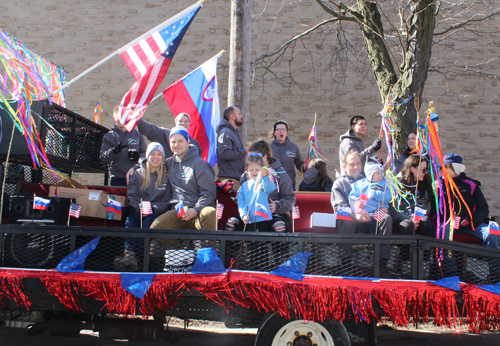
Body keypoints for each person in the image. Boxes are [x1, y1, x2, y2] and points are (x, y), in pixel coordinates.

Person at [114, 142, 171, 271]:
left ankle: (141, 260)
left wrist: (154, 208)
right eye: (152, 154)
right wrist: (133, 207)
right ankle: (129, 255)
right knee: (131, 220)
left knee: (146, 226)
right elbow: (133, 197)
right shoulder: (138, 174)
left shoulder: (167, 176)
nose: (155, 157)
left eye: (159, 154)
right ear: (147, 156)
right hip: (140, 209)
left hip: (157, 210)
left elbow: (167, 201)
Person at [150, 127, 217, 231]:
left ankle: (208, 246)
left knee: (210, 212)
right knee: (156, 227)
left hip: (199, 210)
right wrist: (137, 166)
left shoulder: (200, 164)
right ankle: (175, 247)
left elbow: (209, 193)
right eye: (173, 142)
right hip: (178, 212)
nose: (176, 145)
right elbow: (152, 163)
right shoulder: (169, 163)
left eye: (180, 141)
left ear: (188, 142)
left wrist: (196, 209)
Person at [227, 139, 296, 233]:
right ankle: (239, 248)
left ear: (264, 157)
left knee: (279, 227)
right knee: (231, 225)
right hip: (251, 214)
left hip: (276, 214)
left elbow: (291, 199)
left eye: (254, 158)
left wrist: (277, 205)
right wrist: (239, 198)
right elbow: (242, 192)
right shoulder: (247, 175)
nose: (251, 161)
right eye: (249, 157)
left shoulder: (280, 174)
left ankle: (277, 248)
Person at [440, 153, 498, 249]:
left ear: (456, 169)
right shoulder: (438, 185)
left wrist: (471, 222)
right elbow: (435, 210)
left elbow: (483, 208)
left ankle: (495, 264)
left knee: (491, 231)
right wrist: (435, 192)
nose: (442, 170)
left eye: (445, 167)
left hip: (472, 224)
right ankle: (449, 264)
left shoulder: (471, 184)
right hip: (449, 224)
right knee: (442, 230)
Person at [226, 153, 276, 232]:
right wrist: (244, 215)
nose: (254, 172)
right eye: (251, 170)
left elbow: (271, 188)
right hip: (249, 219)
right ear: (247, 170)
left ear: (262, 169)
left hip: (264, 218)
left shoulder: (264, 182)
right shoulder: (244, 186)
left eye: (257, 169)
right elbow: (241, 203)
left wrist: (266, 176)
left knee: (262, 241)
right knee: (250, 242)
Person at [100, 106, 147, 186]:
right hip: (117, 178)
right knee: (118, 199)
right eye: (119, 116)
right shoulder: (109, 136)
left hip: (136, 176)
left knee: (134, 199)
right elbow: (103, 158)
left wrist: (138, 157)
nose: (122, 119)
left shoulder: (137, 134)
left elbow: (146, 155)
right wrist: (114, 151)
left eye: (124, 116)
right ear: (114, 118)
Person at [390, 155, 435, 237]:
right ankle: (405, 250)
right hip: (402, 219)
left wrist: (417, 218)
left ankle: (427, 250)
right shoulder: (397, 185)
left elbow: (425, 206)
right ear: (413, 169)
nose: (426, 172)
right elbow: (394, 209)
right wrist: (409, 217)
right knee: (407, 225)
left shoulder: (424, 184)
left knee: (426, 221)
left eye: (426, 169)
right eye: (423, 169)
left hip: (418, 218)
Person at [348, 157, 393, 236]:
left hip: (379, 212)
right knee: (359, 225)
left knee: (386, 219)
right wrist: (356, 201)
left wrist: (375, 194)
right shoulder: (359, 184)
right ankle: (362, 245)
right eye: (377, 173)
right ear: (370, 174)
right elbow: (352, 196)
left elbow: (389, 196)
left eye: (381, 173)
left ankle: (383, 247)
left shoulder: (384, 184)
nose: (380, 176)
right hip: (363, 213)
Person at [136, 112, 202, 158]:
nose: (183, 123)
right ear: (175, 123)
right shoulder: (165, 134)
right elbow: (151, 130)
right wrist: (137, 120)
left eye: (186, 121)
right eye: (180, 121)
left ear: (189, 124)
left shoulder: (194, 143)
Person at [330, 151, 365, 236]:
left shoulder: (368, 182)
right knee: (347, 219)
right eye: (352, 164)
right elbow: (340, 207)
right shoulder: (339, 184)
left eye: (358, 163)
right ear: (345, 167)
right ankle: (345, 249)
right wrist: (357, 213)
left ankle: (381, 249)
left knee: (383, 217)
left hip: (366, 215)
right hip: (347, 218)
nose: (356, 167)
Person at [216, 106, 246, 190]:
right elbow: (224, 153)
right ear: (232, 117)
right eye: (239, 114)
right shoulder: (225, 132)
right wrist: (244, 151)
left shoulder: (232, 132)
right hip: (229, 182)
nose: (242, 116)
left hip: (235, 180)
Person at [269, 120, 304, 190]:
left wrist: (306, 167)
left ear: (286, 132)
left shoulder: (293, 147)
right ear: (274, 132)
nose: (281, 131)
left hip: (290, 184)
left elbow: (300, 164)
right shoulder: (268, 147)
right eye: (278, 130)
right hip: (273, 183)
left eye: (283, 130)